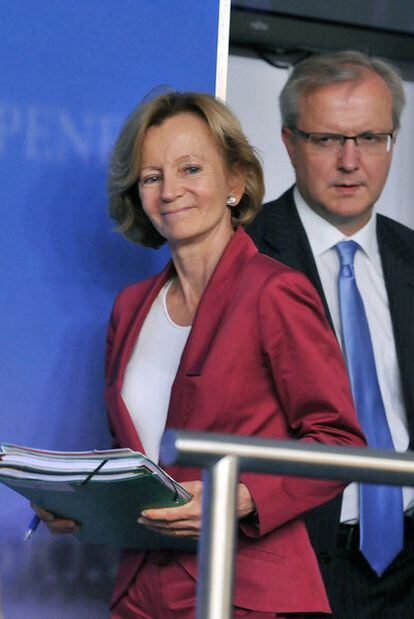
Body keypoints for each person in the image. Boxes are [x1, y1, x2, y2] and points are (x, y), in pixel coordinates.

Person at [34, 91, 365, 618]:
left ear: (235, 182)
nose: (170, 191)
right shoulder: (130, 308)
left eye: (190, 168)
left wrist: (239, 498)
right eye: (150, 176)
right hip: (141, 590)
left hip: (244, 588)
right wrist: (81, 506)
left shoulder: (275, 292)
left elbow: (341, 444)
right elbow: (136, 459)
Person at [247, 51, 414, 619]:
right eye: (326, 140)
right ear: (289, 142)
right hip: (291, 562)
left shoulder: (411, 257)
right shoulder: (239, 254)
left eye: (370, 137)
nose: (351, 161)